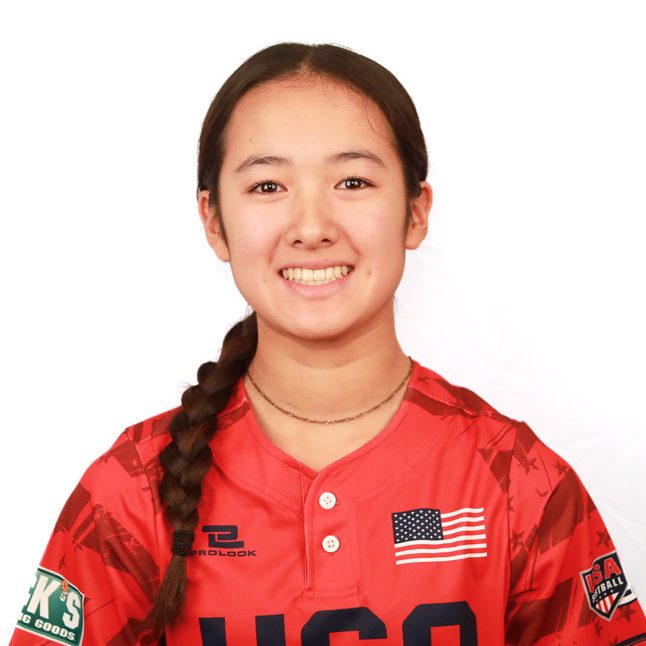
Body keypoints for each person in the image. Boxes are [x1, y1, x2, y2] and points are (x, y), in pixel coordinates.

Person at [10, 42, 646, 646]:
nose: (311, 227)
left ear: (416, 211)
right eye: (267, 186)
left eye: (353, 182)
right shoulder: (131, 490)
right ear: (214, 221)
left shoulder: (518, 481)